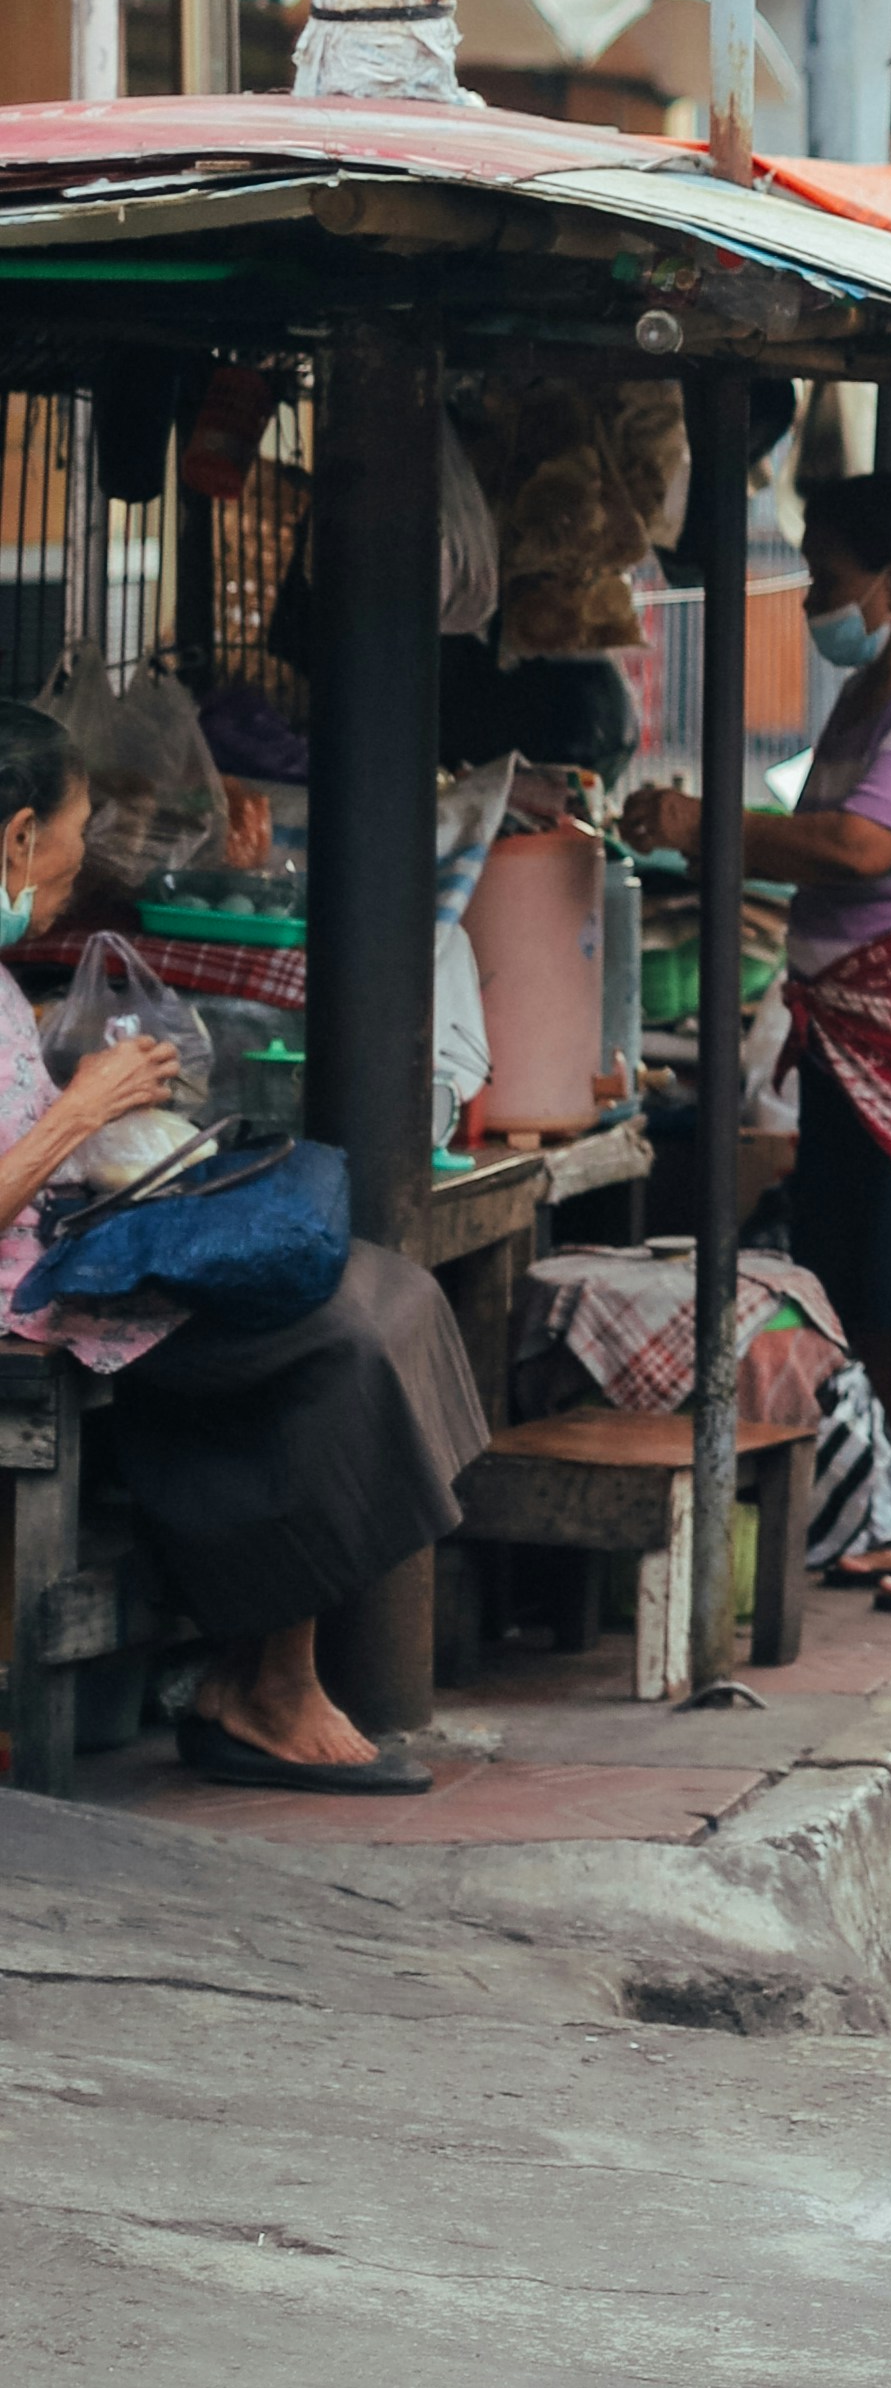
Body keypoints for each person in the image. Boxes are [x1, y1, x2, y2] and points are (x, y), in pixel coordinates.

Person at [0, 696, 483, 1793]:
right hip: (33, 1299)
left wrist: (122, 1118)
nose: (70, 884)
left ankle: (256, 1671)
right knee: (334, 1333)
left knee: (380, 1284)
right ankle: (269, 1688)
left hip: (70, 1249)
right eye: (69, 856)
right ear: (18, 839)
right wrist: (82, 1111)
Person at [628, 473, 891, 1616]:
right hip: (856, 1030)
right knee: (872, 1284)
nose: (817, 600)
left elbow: (860, 846)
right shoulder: (871, 694)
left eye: (827, 578)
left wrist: (703, 828)